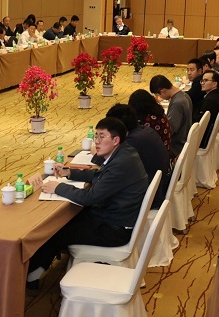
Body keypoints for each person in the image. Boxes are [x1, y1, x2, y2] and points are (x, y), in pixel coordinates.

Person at [26, 117, 148, 290]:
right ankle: (39, 267)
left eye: (102, 137)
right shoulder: (125, 152)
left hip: (113, 229)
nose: (96, 141)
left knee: (55, 229)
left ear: (115, 140)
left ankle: (32, 276)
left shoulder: (120, 164)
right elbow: (100, 176)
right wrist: (70, 173)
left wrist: (58, 187)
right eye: (96, 136)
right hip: (115, 218)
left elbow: (89, 197)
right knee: (64, 220)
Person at [106, 104, 171, 209]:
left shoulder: (133, 141)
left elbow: (112, 162)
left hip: (148, 197)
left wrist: (97, 152)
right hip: (158, 187)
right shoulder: (144, 130)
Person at [150, 75, 192, 159]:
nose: (160, 98)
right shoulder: (184, 95)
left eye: (158, 95)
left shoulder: (177, 103)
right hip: (184, 140)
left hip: (176, 146)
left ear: (163, 91)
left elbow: (170, 129)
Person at [193, 70, 219, 148]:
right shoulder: (215, 95)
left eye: (206, 80)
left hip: (203, 138)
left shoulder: (210, 100)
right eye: (202, 80)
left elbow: (199, 121)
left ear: (215, 84)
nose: (202, 83)